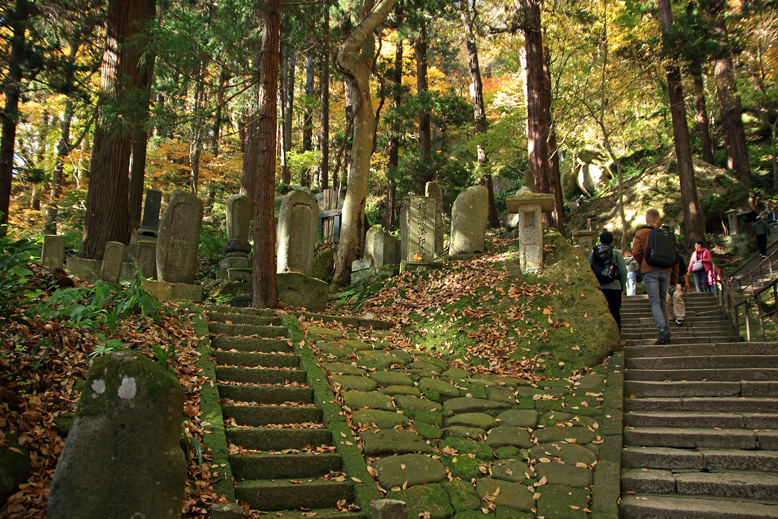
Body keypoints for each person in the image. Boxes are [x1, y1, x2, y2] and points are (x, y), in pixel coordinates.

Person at [632, 209, 679, 345]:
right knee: (662, 301)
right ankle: (667, 332)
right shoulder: (666, 235)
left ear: (646, 220)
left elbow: (636, 252)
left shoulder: (641, 234)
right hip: (666, 270)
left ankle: (662, 329)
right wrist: (675, 278)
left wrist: (643, 263)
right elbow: (675, 256)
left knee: (654, 302)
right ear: (658, 220)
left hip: (650, 270)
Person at [588, 231, 627, 330]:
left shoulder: (595, 252)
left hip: (600, 287)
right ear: (612, 241)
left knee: (602, 313)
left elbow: (588, 267)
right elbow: (623, 271)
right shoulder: (616, 252)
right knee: (615, 312)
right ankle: (617, 334)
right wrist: (622, 288)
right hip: (615, 287)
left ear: (600, 241)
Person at [667, 251, 690, 326]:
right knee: (666, 299)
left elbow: (683, 271)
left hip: (677, 282)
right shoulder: (662, 257)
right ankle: (669, 316)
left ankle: (680, 316)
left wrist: (687, 282)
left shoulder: (678, 258)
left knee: (677, 296)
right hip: (666, 282)